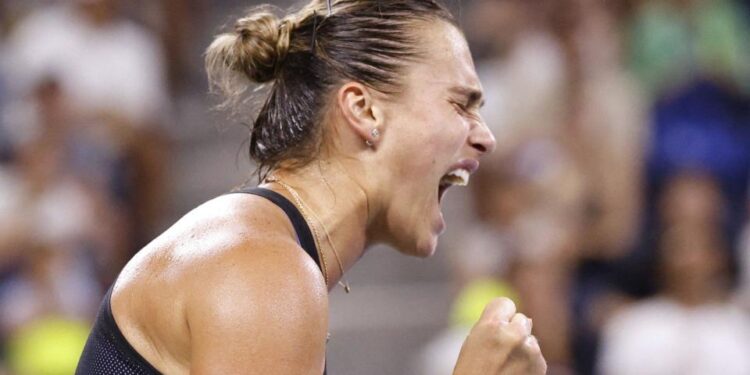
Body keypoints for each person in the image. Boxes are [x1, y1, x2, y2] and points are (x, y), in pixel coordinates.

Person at [75, 0, 546, 374]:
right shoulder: (262, 270)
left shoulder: (267, 255)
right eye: (461, 104)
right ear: (364, 110)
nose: (486, 136)